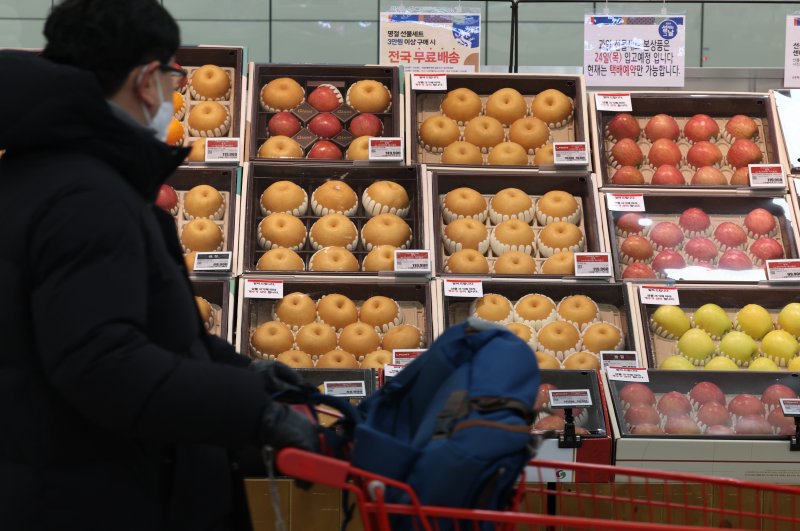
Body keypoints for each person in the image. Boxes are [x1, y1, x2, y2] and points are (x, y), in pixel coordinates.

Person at [0, 1, 317, 530]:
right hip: (98, 494)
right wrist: (250, 409)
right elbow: (102, 363)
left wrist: (240, 373)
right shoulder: (88, 197)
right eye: (173, 76)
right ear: (147, 79)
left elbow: (126, 327)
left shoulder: (34, 172)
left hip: (53, 476)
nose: (174, 93)